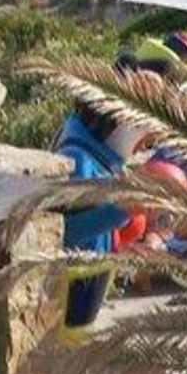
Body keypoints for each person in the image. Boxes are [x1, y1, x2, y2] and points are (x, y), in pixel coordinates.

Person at [52, 101, 153, 342]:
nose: (144, 147)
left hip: (88, 291)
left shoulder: (98, 159)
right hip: (71, 296)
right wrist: (122, 209)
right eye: (144, 139)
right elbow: (63, 233)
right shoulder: (77, 159)